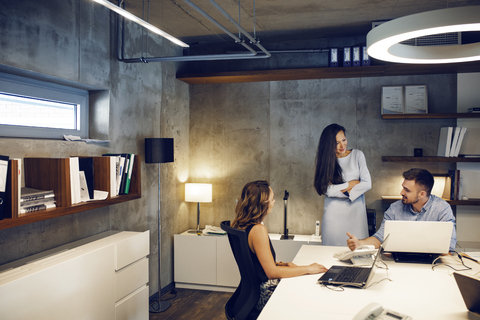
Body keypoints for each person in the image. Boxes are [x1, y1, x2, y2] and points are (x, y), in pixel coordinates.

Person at [232, 180, 327, 310]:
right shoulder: (258, 230)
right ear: (263, 204)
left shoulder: (238, 224)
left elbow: (252, 262)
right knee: (311, 290)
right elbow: (271, 273)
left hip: (249, 294)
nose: (274, 202)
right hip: (263, 295)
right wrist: (308, 268)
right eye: (273, 199)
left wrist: (280, 264)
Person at [346, 168, 457, 252]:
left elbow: (449, 245)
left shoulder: (442, 209)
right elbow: (380, 238)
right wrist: (360, 243)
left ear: (422, 194)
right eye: (403, 187)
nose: (401, 192)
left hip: (432, 263)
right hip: (398, 262)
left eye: (407, 190)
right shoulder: (395, 208)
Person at [314, 123, 372, 246]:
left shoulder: (357, 155)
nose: (342, 145)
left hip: (357, 216)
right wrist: (351, 184)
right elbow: (328, 190)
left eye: (344, 140)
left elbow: (367, 184)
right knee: (330, 257)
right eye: (336, 143)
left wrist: (339, 190)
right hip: (333, 218)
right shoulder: (326, 161)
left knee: (359, 256)